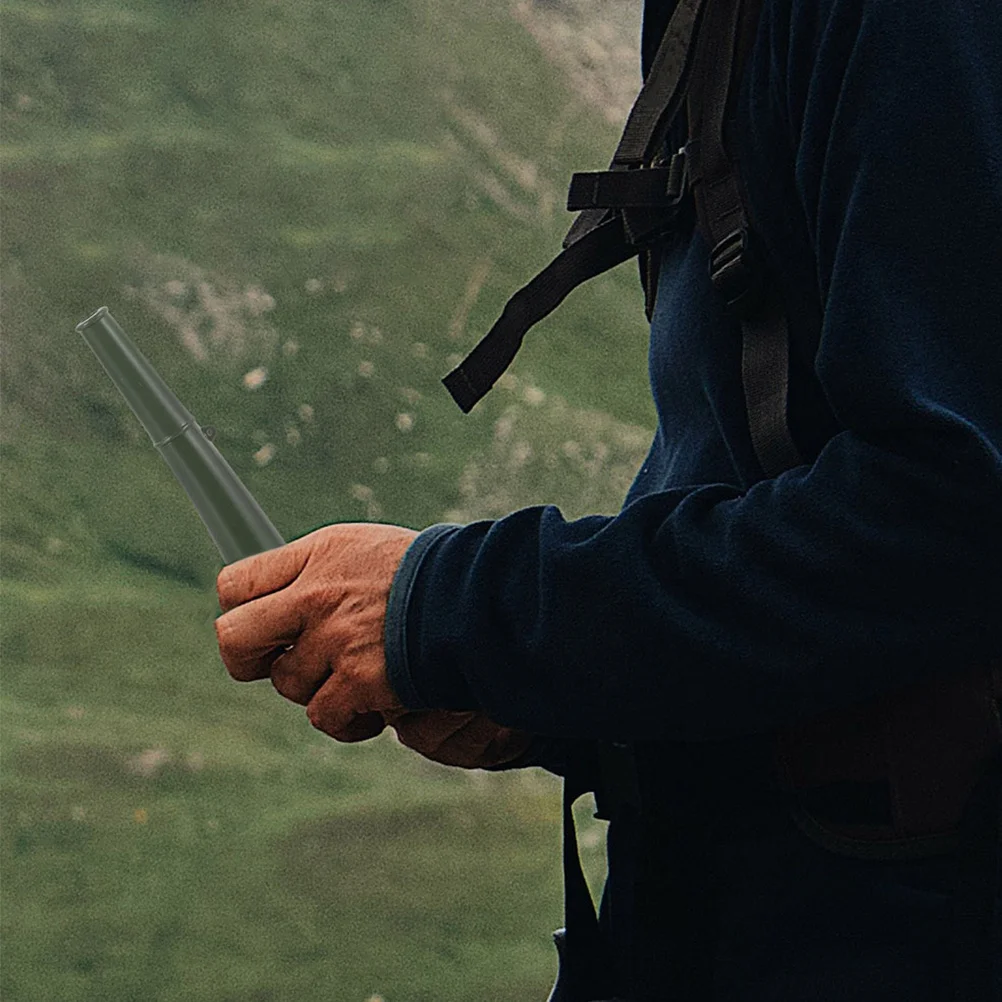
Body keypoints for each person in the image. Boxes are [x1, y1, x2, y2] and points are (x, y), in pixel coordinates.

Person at [213, 0, 1002, 997]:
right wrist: (554, 690)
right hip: (734, 908)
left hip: (889, 931)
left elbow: (950, 520)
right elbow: (747, 483)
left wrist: (464, 608)